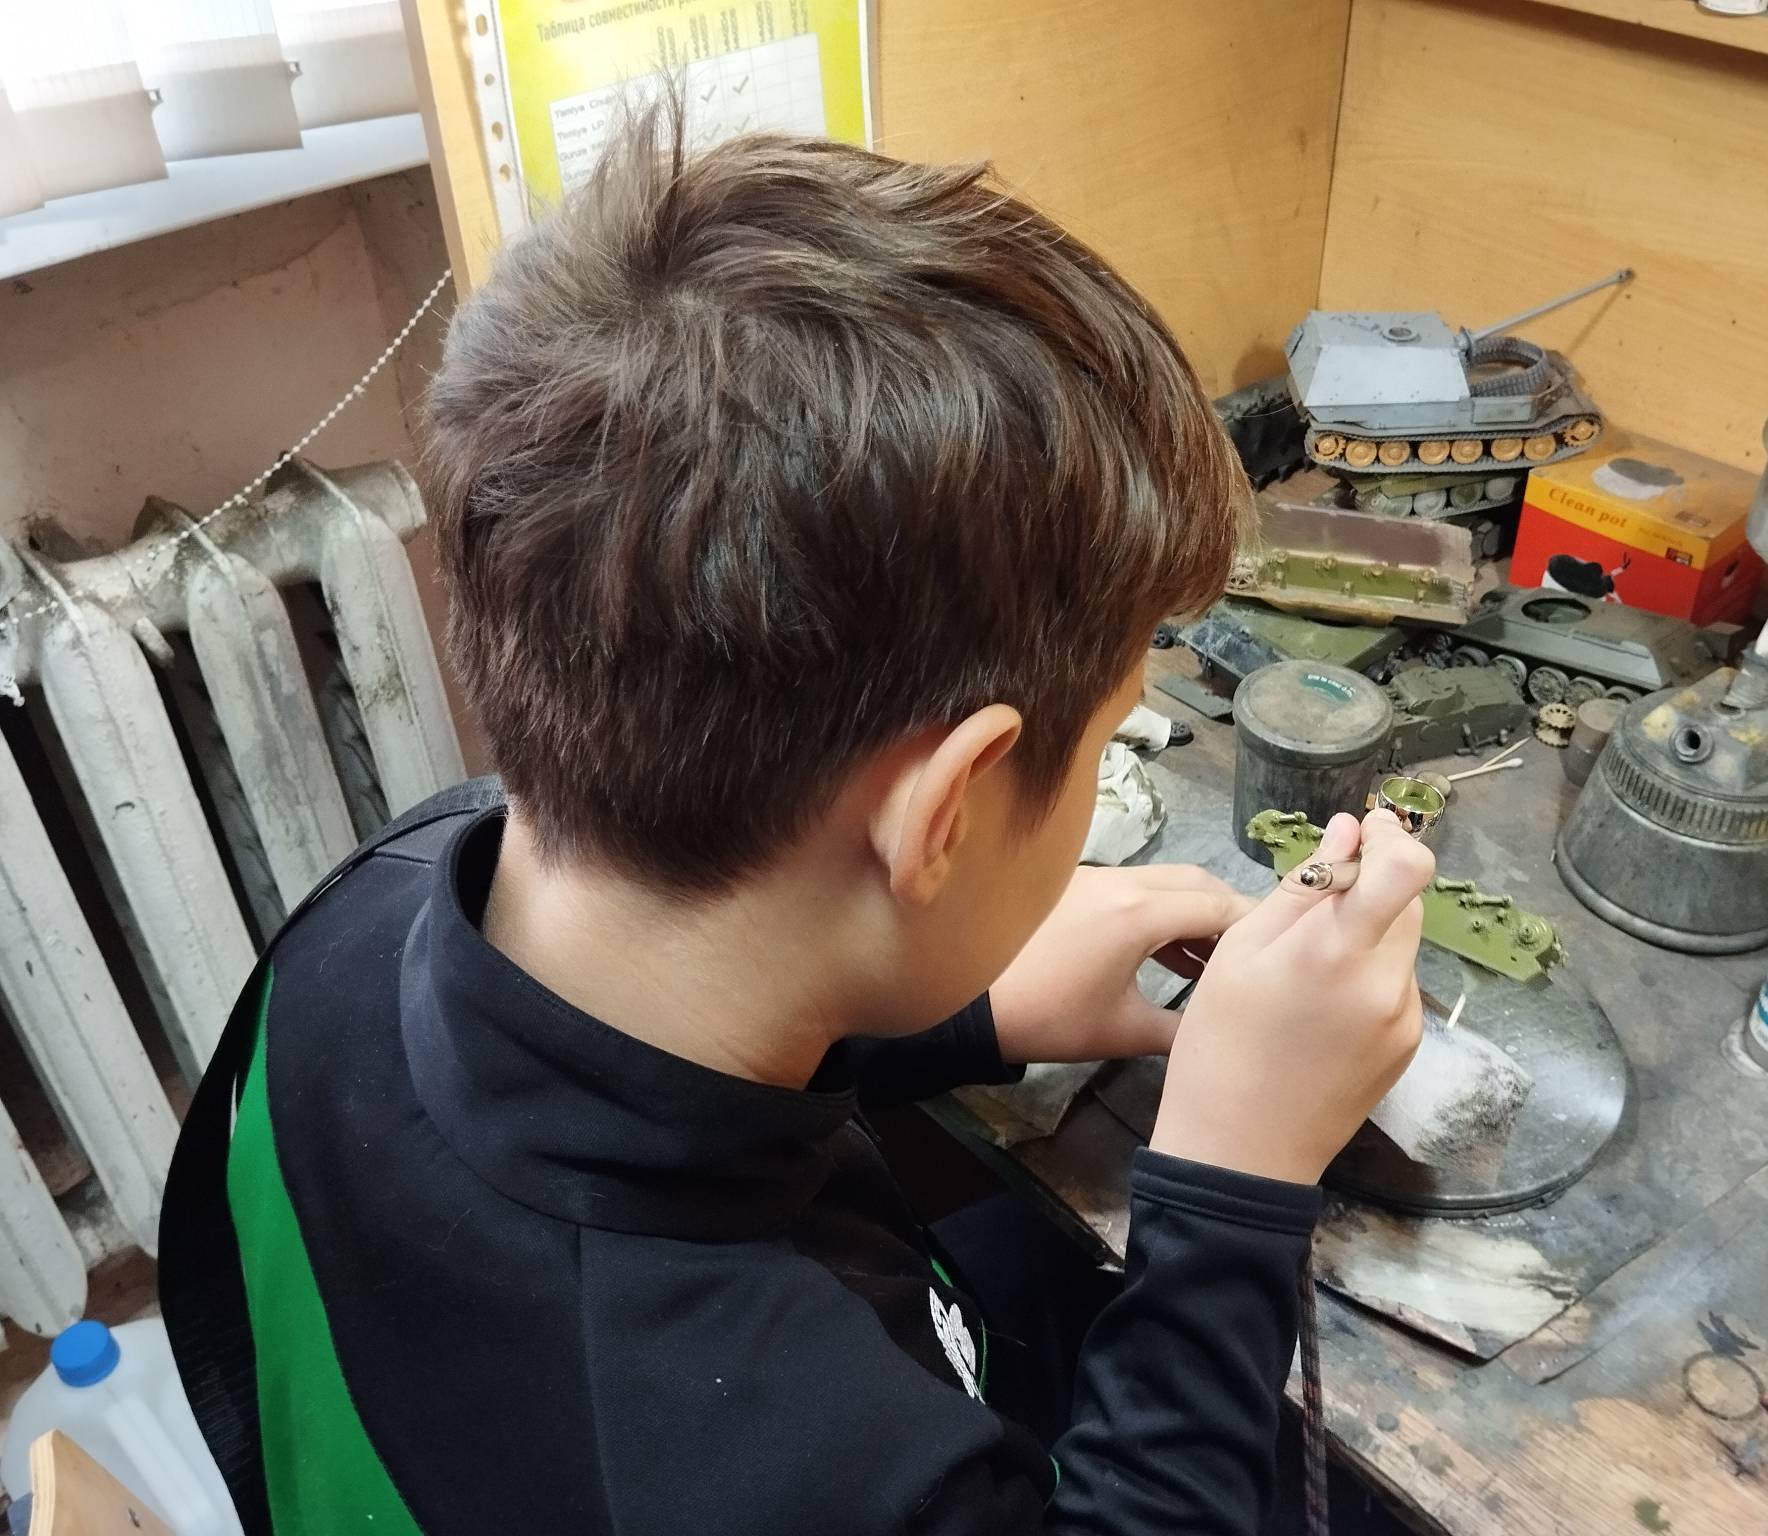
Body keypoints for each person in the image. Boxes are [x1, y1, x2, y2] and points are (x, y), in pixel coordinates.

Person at [159, 100, 1431, 1536]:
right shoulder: (804, 1475)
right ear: (946, 811)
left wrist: (953, 1006)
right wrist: (1232, 1182)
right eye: (1100, 743)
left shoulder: (368, 908)